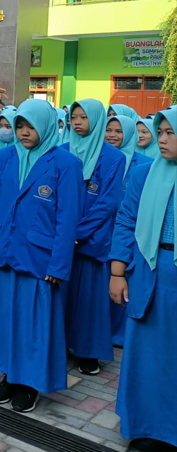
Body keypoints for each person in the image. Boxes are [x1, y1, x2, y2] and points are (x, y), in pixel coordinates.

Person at [0, 99, 83, 412]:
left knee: (33, 323)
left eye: (30, 126)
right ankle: (10, 374)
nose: (23, 132)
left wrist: (59, 264)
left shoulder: (66, 164)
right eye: (19, 125)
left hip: (39, 259)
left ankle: (30, 383)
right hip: (4, 251)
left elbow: (67, 220)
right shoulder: (6, 157)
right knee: (5, 318)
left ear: (46, 127)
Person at [109, 108, 176, 452]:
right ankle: (148, 427)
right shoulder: (143, 174)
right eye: (160, 132)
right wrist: (118, 272)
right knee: (148, 357)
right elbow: (125, 223)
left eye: (170, 132)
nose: (163, 139)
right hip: (148, 271)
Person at [58, 99, 125, 375]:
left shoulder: (113, 157)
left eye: (84, 117)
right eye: (74, 116)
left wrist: (78, 233)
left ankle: (89, 352)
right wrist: (65, 234)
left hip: (92, 240)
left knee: (89, 300)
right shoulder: (61, 151)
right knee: (60, 295)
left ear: (96, 119)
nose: (77, 122)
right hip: (62, 238)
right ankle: (59, 345)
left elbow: (107, 204)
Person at [105, 114, 154, 348]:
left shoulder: (144, 167)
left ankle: (121, 335)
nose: (112, 135)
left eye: (119, 131)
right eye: (108, 130)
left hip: (131, 237)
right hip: (103, 234)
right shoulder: (98, 159)